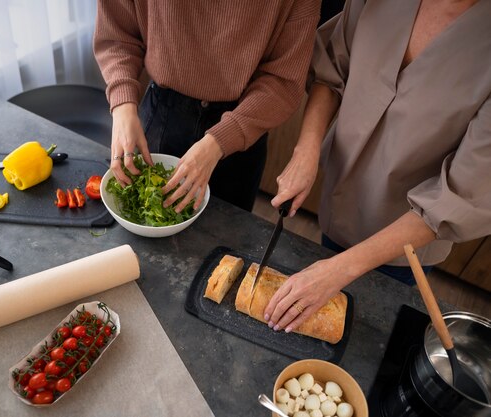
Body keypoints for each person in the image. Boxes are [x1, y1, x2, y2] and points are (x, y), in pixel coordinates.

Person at [264, 0, 491, 333]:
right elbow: (333, 68)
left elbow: (460, 195)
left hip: (404, 244)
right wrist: (306, 149)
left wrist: (338, 270)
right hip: (339, 202)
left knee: (364, 335)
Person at [93, 0, 321, 212]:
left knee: (227, 246)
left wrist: (219, 142)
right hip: (162, 113)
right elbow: (117, 35)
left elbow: (283, 81)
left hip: (242, 127)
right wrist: (123, 107)